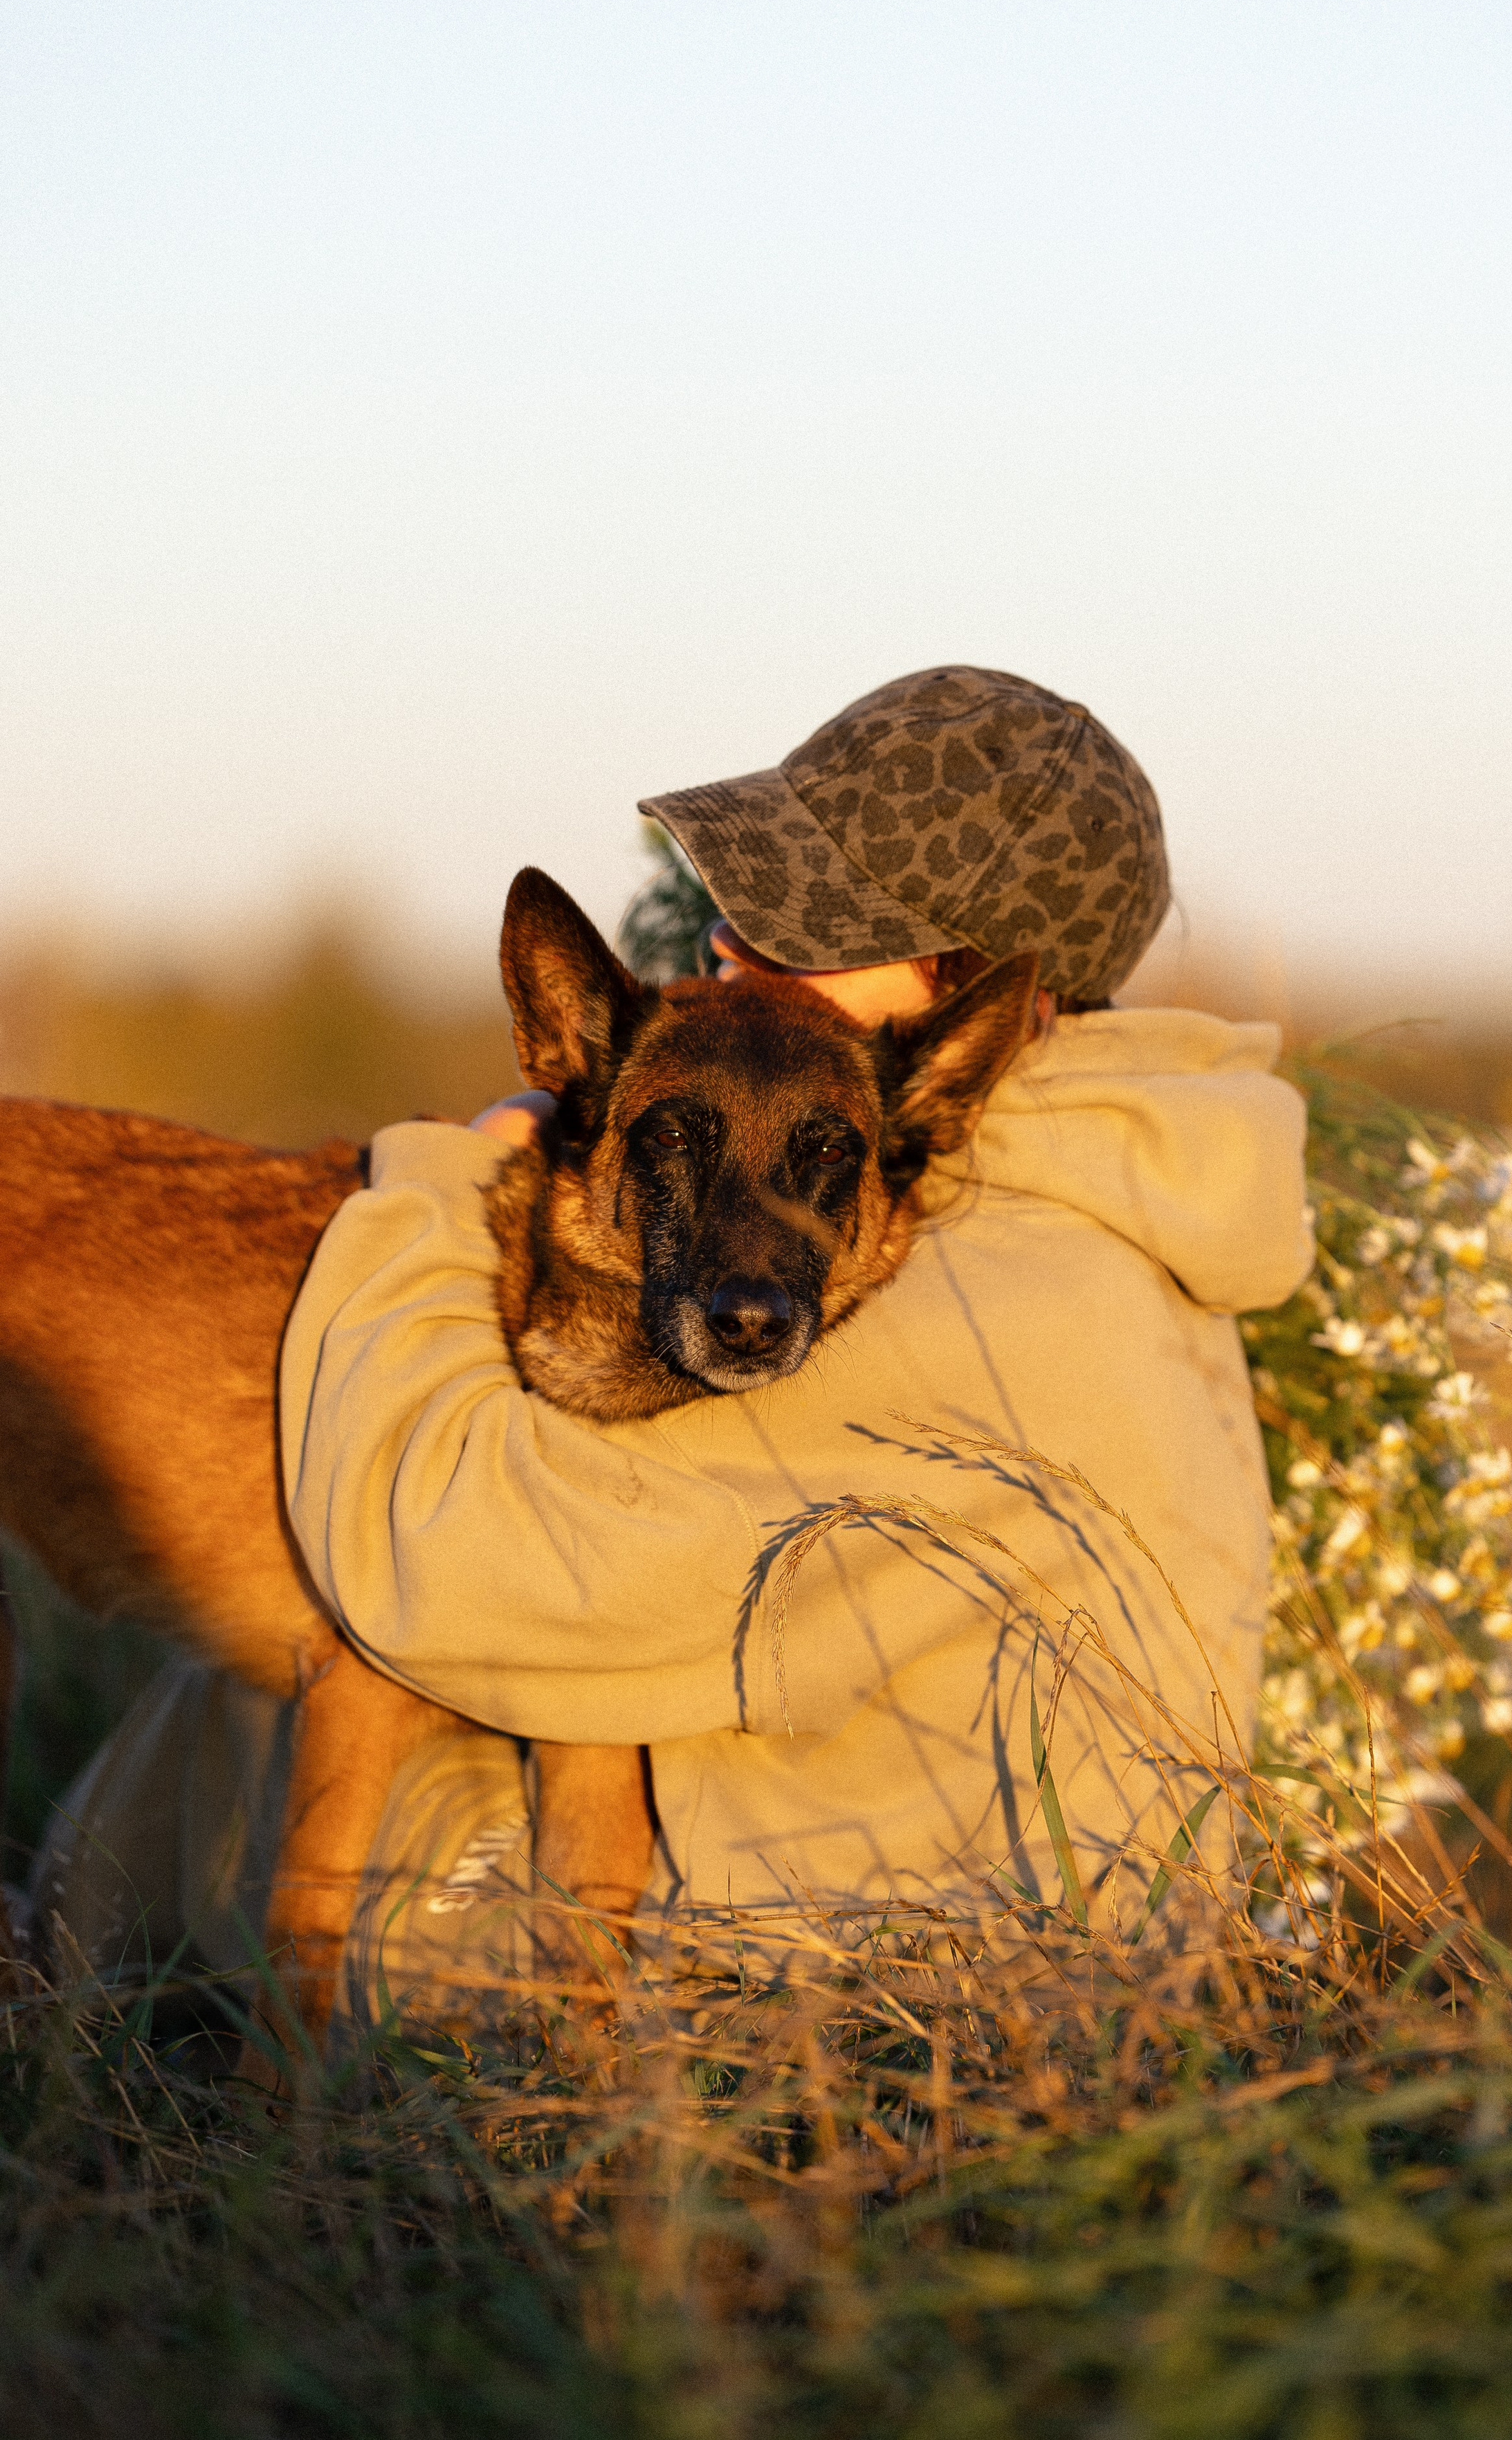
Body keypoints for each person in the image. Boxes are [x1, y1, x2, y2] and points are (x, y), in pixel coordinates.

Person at [33, 667, 1312, 2031]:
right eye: (734, 908)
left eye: (801, 928)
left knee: (290, 1679)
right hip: (865, 1899)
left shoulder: (991, 1288)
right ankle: (74, 1977)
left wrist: (433, 1183)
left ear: (987, 1006)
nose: (727, 950)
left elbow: (444, 1567)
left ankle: (94, 2015)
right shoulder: (1076, 1186)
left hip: (860, 1990)